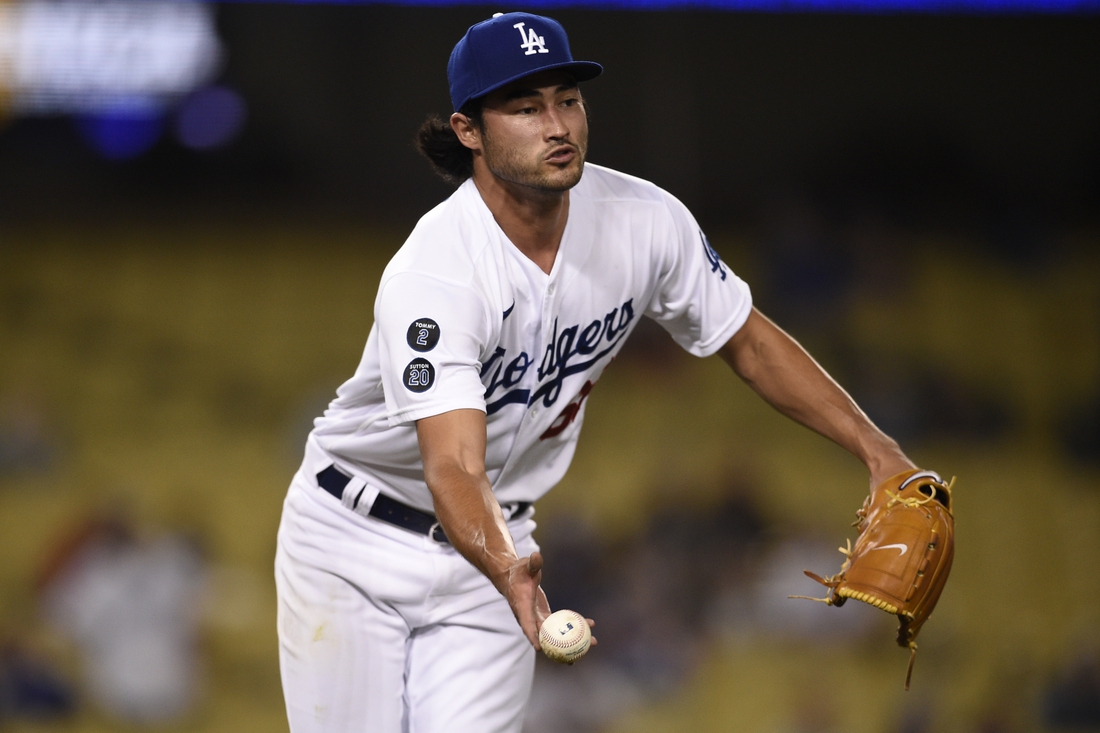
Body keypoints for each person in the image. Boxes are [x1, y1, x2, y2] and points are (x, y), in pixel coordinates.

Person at [274, 11, 916, 733]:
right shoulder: (437, 271)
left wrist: (878, 449)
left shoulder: (645, 222)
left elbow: (750, 342)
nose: (558, 124)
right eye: (525, 108)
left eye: (568, 100)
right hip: (355, 542)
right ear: (469, 131)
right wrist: (503, 564)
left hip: (502, 547)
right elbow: (452, 463)